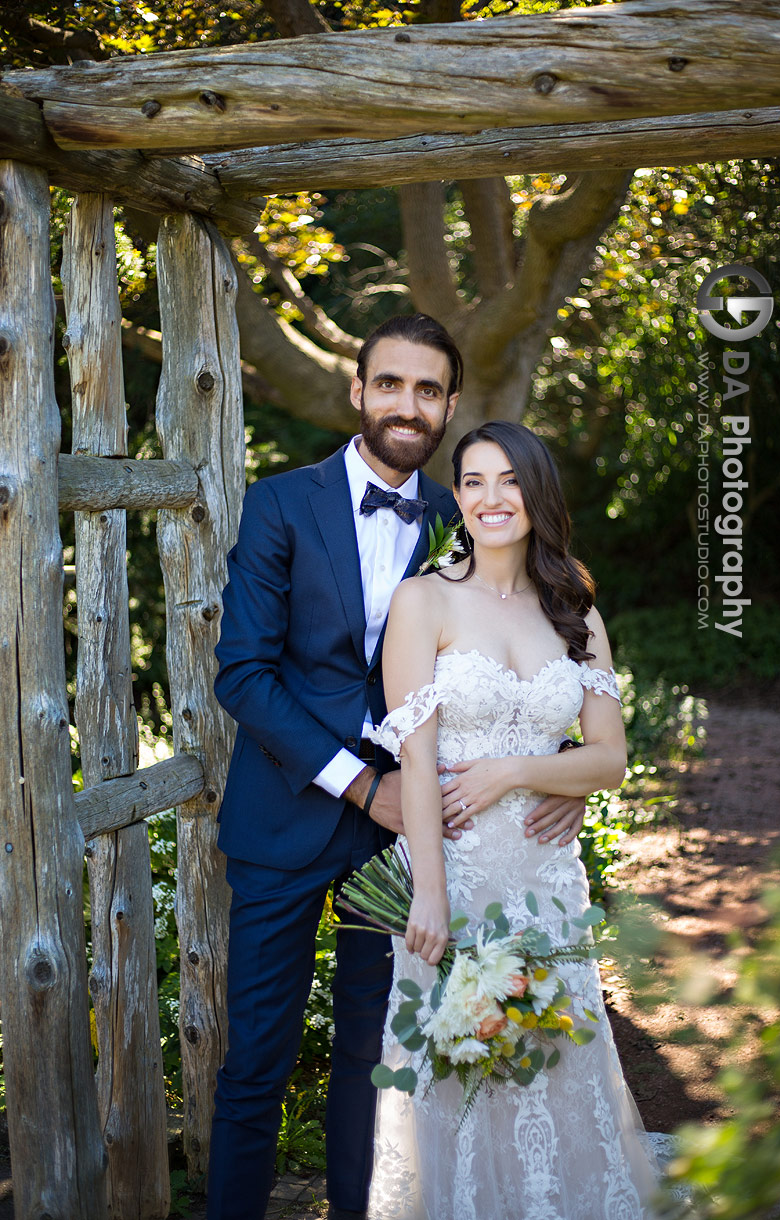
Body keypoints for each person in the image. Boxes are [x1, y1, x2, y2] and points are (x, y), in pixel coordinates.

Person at [207, 317, 586, 1220]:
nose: (406, 406)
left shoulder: (473, 515)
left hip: (420, 837)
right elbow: (245, 675)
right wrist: (360, 782)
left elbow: (539, 652)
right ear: (358, 391)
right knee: (256, 1054)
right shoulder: (281, 505)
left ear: (450, 405)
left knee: (377, 1062)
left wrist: (558, 766)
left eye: (427, 391)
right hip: (290, 815)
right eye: (390, 385)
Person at [367, 420, 660, 1220]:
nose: (491, 498)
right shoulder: (422, 600)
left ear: (537, 493)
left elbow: (608, 760)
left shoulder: (575, 610)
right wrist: (428, 894)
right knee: (461, 1075)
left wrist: (513, 771)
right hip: (453, 877)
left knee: (558, 1064)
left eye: (508, 480)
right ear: (455, 495)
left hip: (546, 887)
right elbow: (416, 764)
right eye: (472, 481)